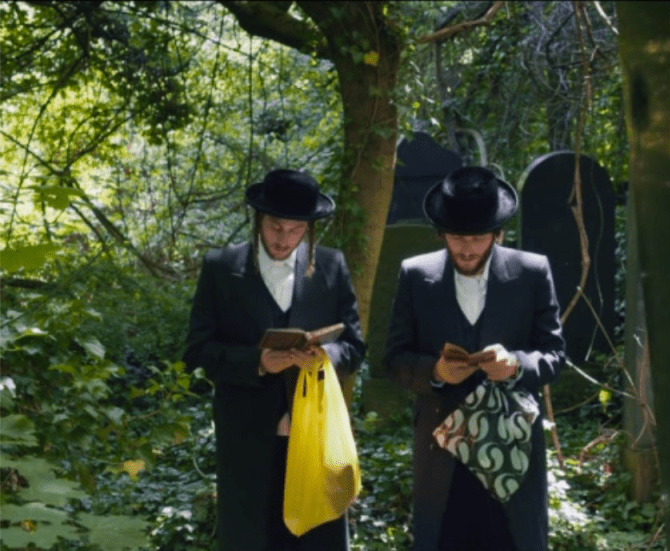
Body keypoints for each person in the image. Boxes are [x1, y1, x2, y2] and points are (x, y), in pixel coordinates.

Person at [383, 166, 566, 551]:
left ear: (498, 233)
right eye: (457, 237)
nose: (467, 248)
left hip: (511, 446)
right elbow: (395, 358)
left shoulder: (531, 272)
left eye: (478, 238)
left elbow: (553, 354)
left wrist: (515, 365)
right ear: (441, 233)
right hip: (441, 451)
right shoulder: (416, 275)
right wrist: (434, 371)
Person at [184, 169, 365, 551]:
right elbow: (197, 352)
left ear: (309, 229)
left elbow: (354, 347)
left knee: (318, 536)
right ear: (258, 221)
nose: (283, 239)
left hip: (314, 430)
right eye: (275, 227)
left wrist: (326, 355)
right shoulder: (221, 268)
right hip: (246, 435)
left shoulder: (332, 266)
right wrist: (259, 362)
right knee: (251, 537)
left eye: (295, 230)